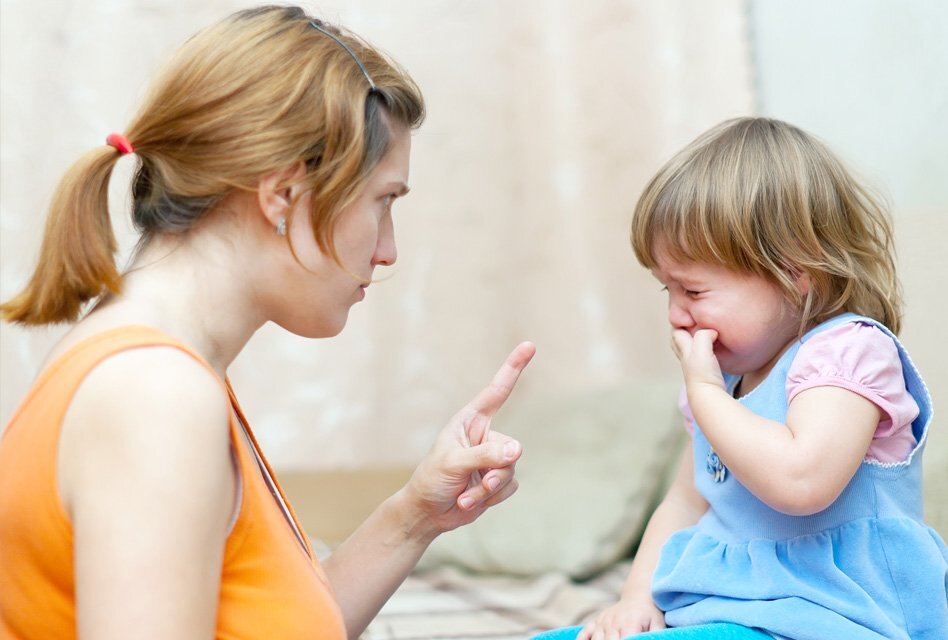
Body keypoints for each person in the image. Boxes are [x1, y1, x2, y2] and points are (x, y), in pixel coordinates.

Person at [0, 5, 535, 639]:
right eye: (383, 202)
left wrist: (416, 514)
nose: (388, 249)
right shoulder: (154, 396)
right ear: (282, 194)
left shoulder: (160, 366)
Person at [537, 117, 947, 640]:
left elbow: (802, 483)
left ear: (795, 273)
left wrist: (707, 394)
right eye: (667, 290)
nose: (676, 315)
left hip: (834, 617)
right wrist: (635, 600)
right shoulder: (725, 386)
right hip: (732, 613)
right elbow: (685, 502)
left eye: (694, 291)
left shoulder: (848, 352)